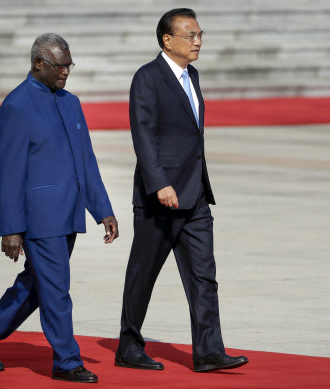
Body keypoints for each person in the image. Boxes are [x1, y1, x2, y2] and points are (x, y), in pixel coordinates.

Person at [0, 33, 118, 384]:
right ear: (37, 64)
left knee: (38, 285)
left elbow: (87, 163)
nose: (66, 72)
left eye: (69, 65)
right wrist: (11, 228)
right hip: (39, 219)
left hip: (70, 214)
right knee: (57, 289)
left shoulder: (72, 103)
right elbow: (7, 174)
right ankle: (67, 361)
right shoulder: (16, 107)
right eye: (59, 66)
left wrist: (103, 210)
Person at [115, 9, 248, 373]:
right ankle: (128, 345)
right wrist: (159, 183)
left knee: (204, 275)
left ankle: (208, 351)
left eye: (200, 34)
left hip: (196, 195)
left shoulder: (193, 76)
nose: (197, 41)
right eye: (189, 35)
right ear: (166, 40)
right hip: (160, 197)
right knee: (143, 273)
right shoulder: (148, 77)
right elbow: (143, 134)